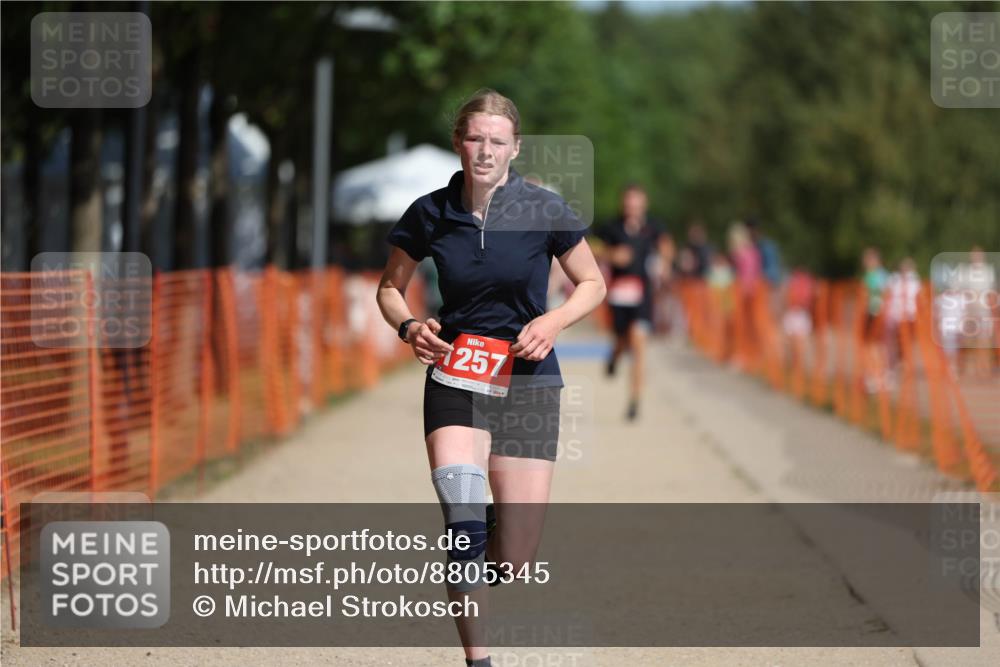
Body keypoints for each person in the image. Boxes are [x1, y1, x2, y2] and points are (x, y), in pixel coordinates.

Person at [375, 89, 606, 667]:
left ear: (515, 148)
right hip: (456, 372)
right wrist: (409, 328)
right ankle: (480, 660)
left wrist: (551, 323)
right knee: (461, 518)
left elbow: (592, 284)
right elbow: (388, 289)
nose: (484, 150)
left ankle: (496, 527)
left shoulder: (544, 209)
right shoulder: (428, 212)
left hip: (528, 379)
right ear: (459, 142)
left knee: (516, 559)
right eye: (474, 138)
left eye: (496, 141)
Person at [594, 183, 671, 421]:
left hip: (642, 295)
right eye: (628, 201)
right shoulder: (611, 227)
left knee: (638, 344)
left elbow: (667, 245)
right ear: (623, 203)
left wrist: (665, 263)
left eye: (636, 202)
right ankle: (614, 356)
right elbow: (589, 246)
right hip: (618, 295)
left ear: (643, 204)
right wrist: (611, 255)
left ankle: (634, 401)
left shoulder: (653, 227)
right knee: (621, 340)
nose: (632, 206)